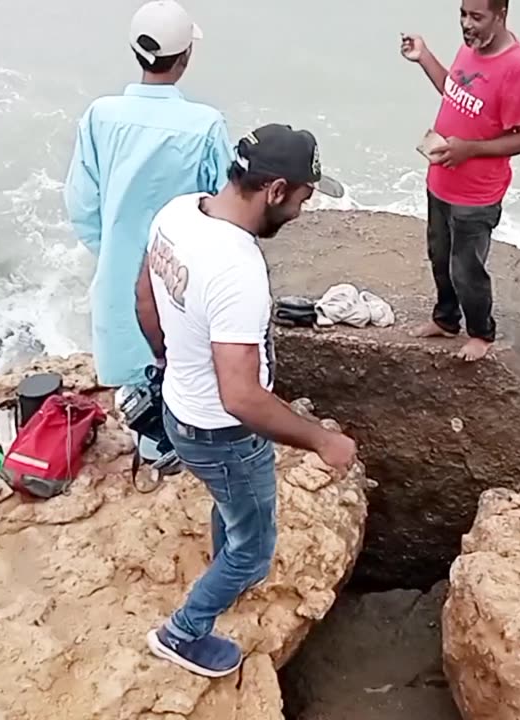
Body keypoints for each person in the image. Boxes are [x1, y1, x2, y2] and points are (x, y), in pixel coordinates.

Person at [134, 124, 358, 677]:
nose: (303, 211)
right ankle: (183, 633)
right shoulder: (236, 268)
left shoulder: (179, 213)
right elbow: (239, 397)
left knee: (229, 501)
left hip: (179, 409)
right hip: (221, 433)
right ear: (276, 190)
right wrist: (322, 439)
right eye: (304, 197)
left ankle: (224, 560)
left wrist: (170, 363)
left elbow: (144, 297)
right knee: (254, 549)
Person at [64, 0, 233, 430]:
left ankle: (144, 432)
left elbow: (82, 203)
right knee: (183, 374)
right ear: (186, 57)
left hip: (118, 281)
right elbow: (223, 207)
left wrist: (116, 251)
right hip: (181, 278)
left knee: (133, 384)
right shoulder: (205, 124)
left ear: (136, 52)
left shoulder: (101, 116)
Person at [400, 0, 520, 361]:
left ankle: (481, 333)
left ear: (501, 15)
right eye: (463, 15)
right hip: (440, 180)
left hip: (476, 195)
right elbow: (455, 90)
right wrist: (424, 57)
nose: (467, 24)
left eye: (476, 17)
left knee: (467, 269)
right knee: (439, 256)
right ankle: (446, 319)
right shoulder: (471, 48)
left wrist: (471, 150)